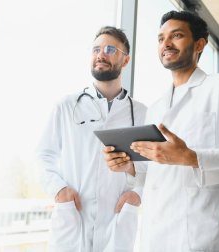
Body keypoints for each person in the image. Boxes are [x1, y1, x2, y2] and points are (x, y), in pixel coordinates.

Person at [104, 10, 219, 252]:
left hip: (205, 235)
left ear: (199, 44)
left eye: (176, 35)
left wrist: (192, 157)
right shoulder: (156, 108)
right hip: (156, 236)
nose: (166, 44)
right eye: (160, 38)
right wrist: (128, 166)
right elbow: (153, 173)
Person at [35, 26, 147, 252]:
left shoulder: (142, 113)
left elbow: (153, 167)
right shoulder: (67, 106)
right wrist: (59, 190)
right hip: (73, 218)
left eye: (110, 49)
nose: (101, 54)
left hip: (117, 220)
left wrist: (137, 194)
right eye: (96, 49)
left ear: (125, 61)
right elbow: (43, 155)